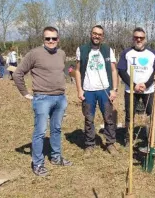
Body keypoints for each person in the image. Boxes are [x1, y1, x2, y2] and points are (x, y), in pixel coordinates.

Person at [13, 26, 71, 177]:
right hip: (42, 99)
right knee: (40, 132)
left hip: (60, 98)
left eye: (54, 38)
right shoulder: (34, 54)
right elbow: (18, 73)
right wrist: (25, 93)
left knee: (56, 129)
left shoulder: (62, 54)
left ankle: (56, 157)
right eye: (47, 38)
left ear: (58, 39)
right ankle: (37, 163)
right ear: (43, 39)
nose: (51, 41)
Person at [75, 25, 119, 155]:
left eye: (99, 34)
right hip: (88, 90)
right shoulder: (82, 49)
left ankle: (110, 143)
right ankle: (89, 144)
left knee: (109, 117)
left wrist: (114, 89)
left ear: (102, 36)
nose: (97, 36)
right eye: (94, 33)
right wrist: (79, 90)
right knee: (89, 118)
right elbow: (77, 71)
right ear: (91, 34)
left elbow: (113, 70)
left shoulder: (107, 50)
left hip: (104, 90)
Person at [117, 27, 155, 147]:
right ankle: (129, 138)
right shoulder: (126, 53)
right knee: (130, 116)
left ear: (145, 39)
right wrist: (133, 85)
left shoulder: (152, 53)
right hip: (131, 90)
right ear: (133, 38)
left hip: (148, 90)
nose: (139, 39)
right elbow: (122, 71)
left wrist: (146, 84)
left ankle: (151, 139)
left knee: (151, 115)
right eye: (136, 37)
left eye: (141, 37)